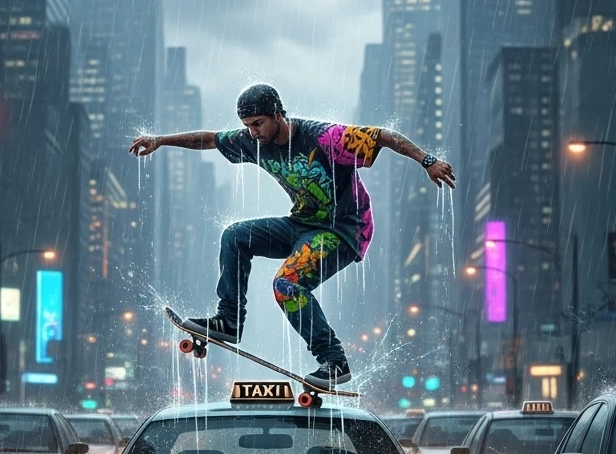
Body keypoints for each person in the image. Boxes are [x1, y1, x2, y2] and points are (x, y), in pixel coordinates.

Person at [129, 83, 456, 390]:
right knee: (234, 236)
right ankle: (229, 321)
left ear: (278, 115)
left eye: (258, 124)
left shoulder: (325, 138)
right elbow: (210, 139)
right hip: (301, 224)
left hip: (343, 230)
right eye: (248, 126)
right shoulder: (252, 141)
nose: (253, 133)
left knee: (287, 285)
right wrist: (161, 140)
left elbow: (382, 136)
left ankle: (334, 361)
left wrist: (427, 161)